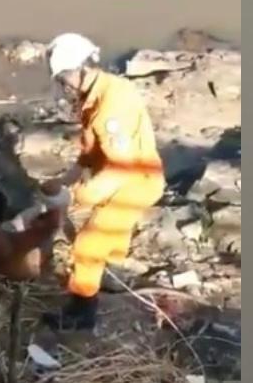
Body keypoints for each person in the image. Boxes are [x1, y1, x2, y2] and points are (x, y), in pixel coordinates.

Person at [40, 33, 166, 331]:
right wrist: (66, 179)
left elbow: (120, 168)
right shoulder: (96, 94)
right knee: (112, 236)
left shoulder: (112, 104)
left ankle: (81, 312)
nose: (63, 86)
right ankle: (113, 271)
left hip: (135, 183)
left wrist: (79, 195)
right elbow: (92, 152)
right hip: (127, 177)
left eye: (63, 78)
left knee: (87, 246)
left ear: (78, 69)